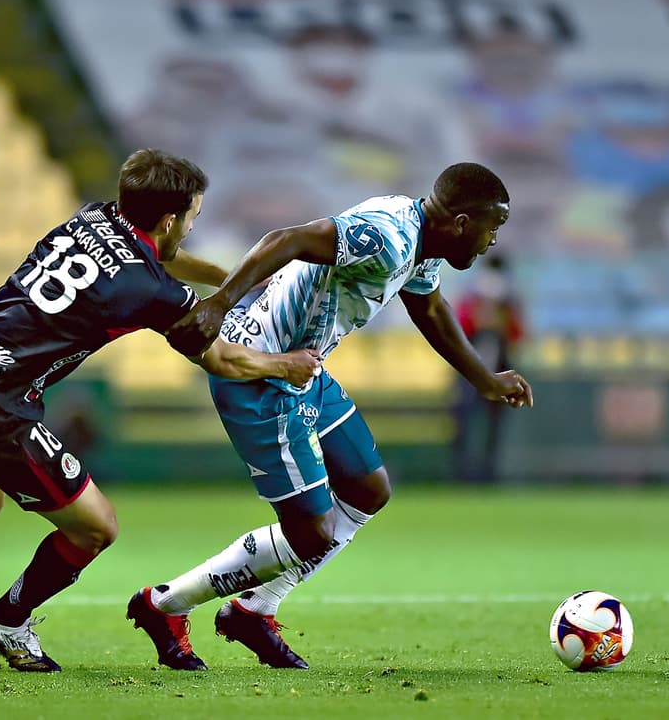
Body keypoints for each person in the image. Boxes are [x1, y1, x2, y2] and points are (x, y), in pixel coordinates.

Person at [0, 149, 321, 672]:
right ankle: (8, 620)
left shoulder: (94, 217)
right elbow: (219, 358)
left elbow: (157, 256)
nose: (192, 227)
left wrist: (227, 278)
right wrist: (284, 365)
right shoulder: (149, 289)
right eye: (193, 217)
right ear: (170, 218)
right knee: (95, 527)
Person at [126, 162, 533, 671]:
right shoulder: (388, 238)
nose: (493, 240)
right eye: (492, 226)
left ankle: (255, 608)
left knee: (368, 489)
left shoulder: (420, 240)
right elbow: (288, 238)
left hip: (304, 371)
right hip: (262, 375)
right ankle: (164, 604)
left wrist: (486, 379)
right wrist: (219, 304)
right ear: (460, 222)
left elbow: (427, 308)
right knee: (310, 533)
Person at [452, 253, 526, 483]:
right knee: (464, 421)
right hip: (470, 370)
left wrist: (500, 317)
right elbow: (458, 329)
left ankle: (488, 472)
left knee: (493, 426)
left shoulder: (509, 304)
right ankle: (462, 472)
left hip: (499, 368)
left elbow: (517, 335)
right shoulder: (471, 299)